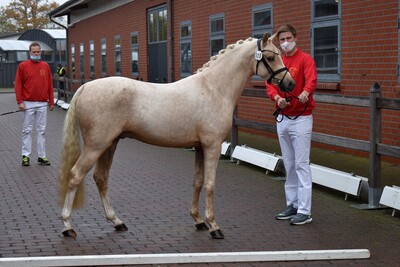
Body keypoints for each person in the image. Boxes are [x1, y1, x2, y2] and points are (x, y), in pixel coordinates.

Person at [265, 24, 317, 225]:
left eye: (288, 38)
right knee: (289, 164)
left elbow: (311, 81)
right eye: (282, 40)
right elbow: (270, 84)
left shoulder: (305, 60)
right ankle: (292, 205)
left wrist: (306, 92)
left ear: (295, 38)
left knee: (301, 164)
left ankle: (305, 211)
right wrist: (277, 98)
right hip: (283, 118)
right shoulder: (279, 60)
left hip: (301, 119)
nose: (285, 42)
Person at [14, 42, 54, 166]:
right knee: (27, 130)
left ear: (40, 52)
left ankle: (42, 156)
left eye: (38, 52)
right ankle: (25, 156)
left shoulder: (45, 66)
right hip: (27, 103)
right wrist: (20, 101)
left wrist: (51, 101)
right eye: (34, 52)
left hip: (42, 103)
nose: (36, 54)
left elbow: (50, 84)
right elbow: (18, 84)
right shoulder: (23, 66)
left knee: (41, 130)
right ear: (30, 52)